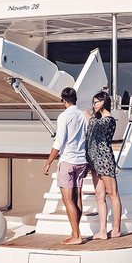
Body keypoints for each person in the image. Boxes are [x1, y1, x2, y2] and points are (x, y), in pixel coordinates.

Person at [44, 87, 87, 245]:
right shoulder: (83, 115)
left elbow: (59, 142)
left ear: (63, 100)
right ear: (75, 99)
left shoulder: (64, 116)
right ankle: (75, 231)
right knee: (77, 198)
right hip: (82, 161)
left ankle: (76, 236)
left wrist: (48, 162)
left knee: (68, 199)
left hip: (68, 161)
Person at [84, 91, 122, 239]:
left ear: (103, 102)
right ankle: (102, 230)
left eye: (96, 102)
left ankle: (116, 229)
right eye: (93, 102)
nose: (94, 105)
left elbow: (99, 129)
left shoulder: (109, 119)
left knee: (113, 194)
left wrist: (89, 118)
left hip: (105, 160)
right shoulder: (97, 119)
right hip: (94, 162)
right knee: (99, 196)